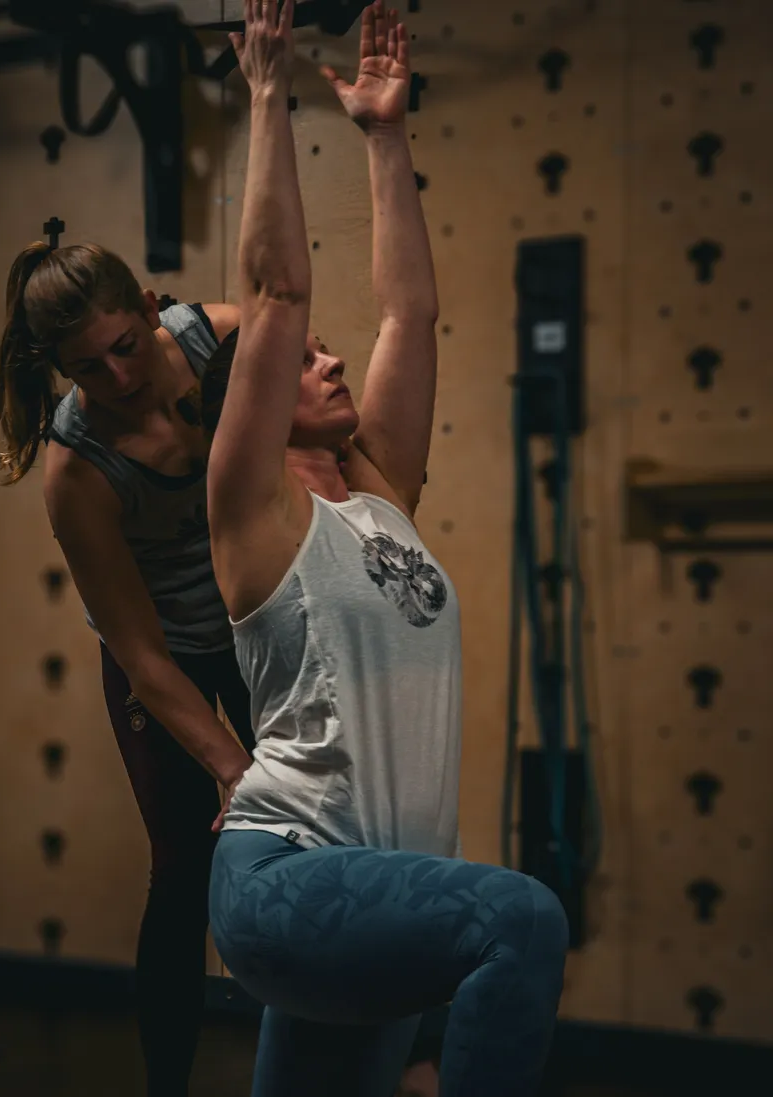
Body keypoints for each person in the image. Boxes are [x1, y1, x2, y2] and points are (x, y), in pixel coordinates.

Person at [203, 3, 570, 1096]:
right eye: (306, 359)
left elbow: (410, 314)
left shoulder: (379, 495)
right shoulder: (252, 512)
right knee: (523, 915)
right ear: (252, 403)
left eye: (326, 352)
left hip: (375, 893)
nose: (327, 360)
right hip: (289, 880)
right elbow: (277, 291)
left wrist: (381, 135)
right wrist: (268, 99)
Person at [0, 244, 256, 1094]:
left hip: (258, 626)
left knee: (328, 833)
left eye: (124, 346)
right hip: (165, 651)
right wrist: (233, 769)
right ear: (57, 368)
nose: (115, 375)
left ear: (148, 306)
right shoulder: (76, 469)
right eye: (85, 367)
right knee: (184, 870)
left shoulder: (220, 338)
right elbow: (141, 653)